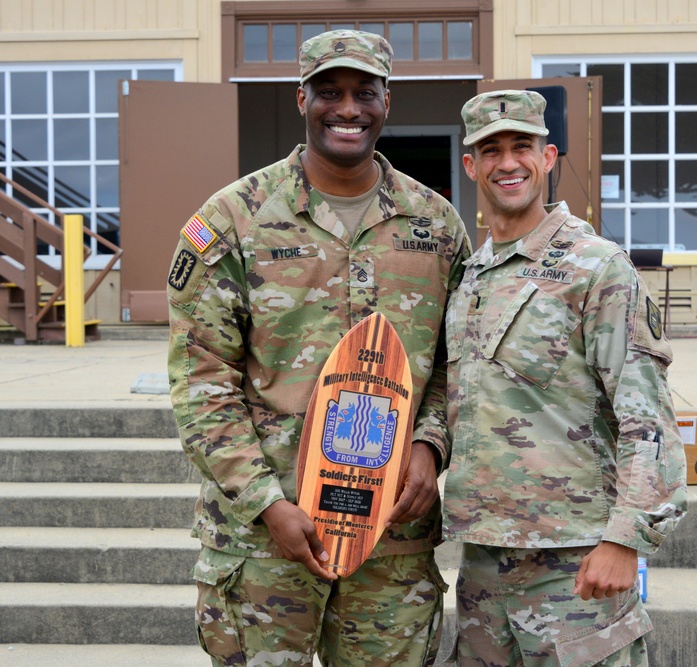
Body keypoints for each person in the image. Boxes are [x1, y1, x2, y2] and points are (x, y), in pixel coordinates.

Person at [166, 30, 471, 667]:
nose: (348, 108)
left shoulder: (435, 224)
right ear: (301, 97)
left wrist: (431, 442)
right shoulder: (234, 219)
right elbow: (202, 381)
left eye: (365, 92)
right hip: (266, 539)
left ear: (388, 101)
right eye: (329, 92)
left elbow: (456, 362)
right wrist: (266, 502)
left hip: (392, 533)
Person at [441, 89, 688, 666]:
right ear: (471, 164)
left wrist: (626, 538)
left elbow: (646, 416)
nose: (508, 163)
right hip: (483, 560)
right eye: (491, 149)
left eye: (521, 146)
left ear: (547, 158)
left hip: (575, 566)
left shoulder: (596, 266)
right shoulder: (471, 278)